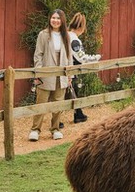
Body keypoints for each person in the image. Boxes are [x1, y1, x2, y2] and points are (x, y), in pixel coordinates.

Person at [29, 9, 73, 141]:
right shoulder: (43, 35)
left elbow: (69, 56)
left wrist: (70, 75)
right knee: (41, 103)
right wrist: (39, 72)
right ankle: (35, 130)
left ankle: (55, 129)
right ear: (50, 19)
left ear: (62, 21)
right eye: (53, 18)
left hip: (62, 74)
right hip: (46, 74)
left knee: (58, 104)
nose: (55, 20)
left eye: (58, 18)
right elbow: (38, 55)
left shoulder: (67, 36)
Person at [67, 13, 102, 123]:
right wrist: (96, 58)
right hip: (71, 69)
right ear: (81, 27)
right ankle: (77, 114)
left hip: (66, 69)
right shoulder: (74, 40)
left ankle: (78, 113)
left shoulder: (67, 35)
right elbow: (81, 57)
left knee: (70, 92)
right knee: (70, 91)